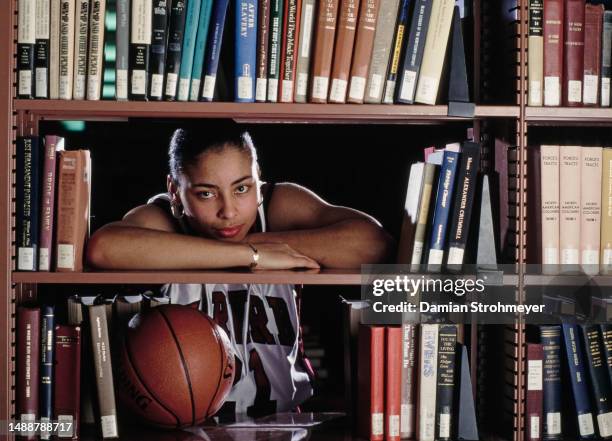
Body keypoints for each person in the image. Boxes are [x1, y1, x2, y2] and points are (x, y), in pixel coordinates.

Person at [86, 126, 395, 417]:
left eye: (242, 188)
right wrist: (252, 255)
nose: (229, 212)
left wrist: (257, 243)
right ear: (175, 191)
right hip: (187, 425)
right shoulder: (163, 218)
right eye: (206, 193)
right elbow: (103, 248)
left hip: (286, 425)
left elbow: (374, 245)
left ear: (258, 180)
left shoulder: (277, 206)